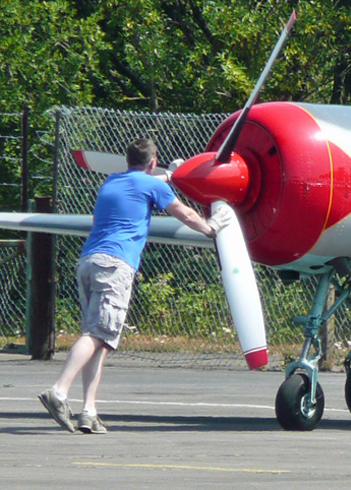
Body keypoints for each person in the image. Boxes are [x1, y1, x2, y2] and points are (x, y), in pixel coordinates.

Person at [38, 137, 227, 434]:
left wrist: (172, 174)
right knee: (96, 334)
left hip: (89, 261)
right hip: (115, 265)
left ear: (128, 161)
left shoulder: (112, 181)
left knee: (100, 340)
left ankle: (89, 411)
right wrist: (211, 229)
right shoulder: (153, 186)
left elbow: (147, 181)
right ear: (152, 163)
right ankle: (59, 391)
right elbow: (186, 213)